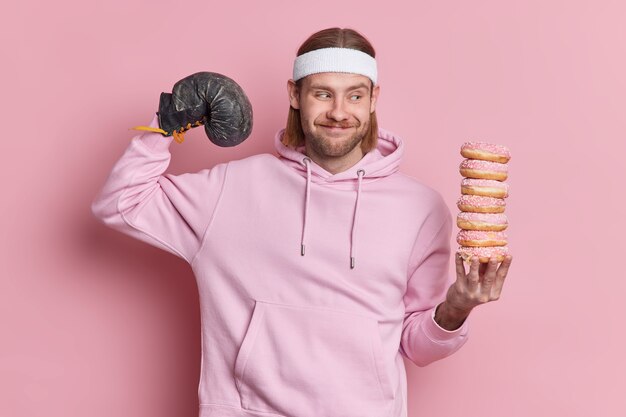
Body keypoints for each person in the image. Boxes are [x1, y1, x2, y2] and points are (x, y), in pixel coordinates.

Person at [91, 27, 512, 417]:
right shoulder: (231, 188)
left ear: (374, 98)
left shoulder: (421, 208)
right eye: (323, 94)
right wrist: (166, 122)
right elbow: (120, 202)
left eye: (355, 95)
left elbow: (416, 346)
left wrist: (456, 309)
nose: (339, 112)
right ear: (295, 94)